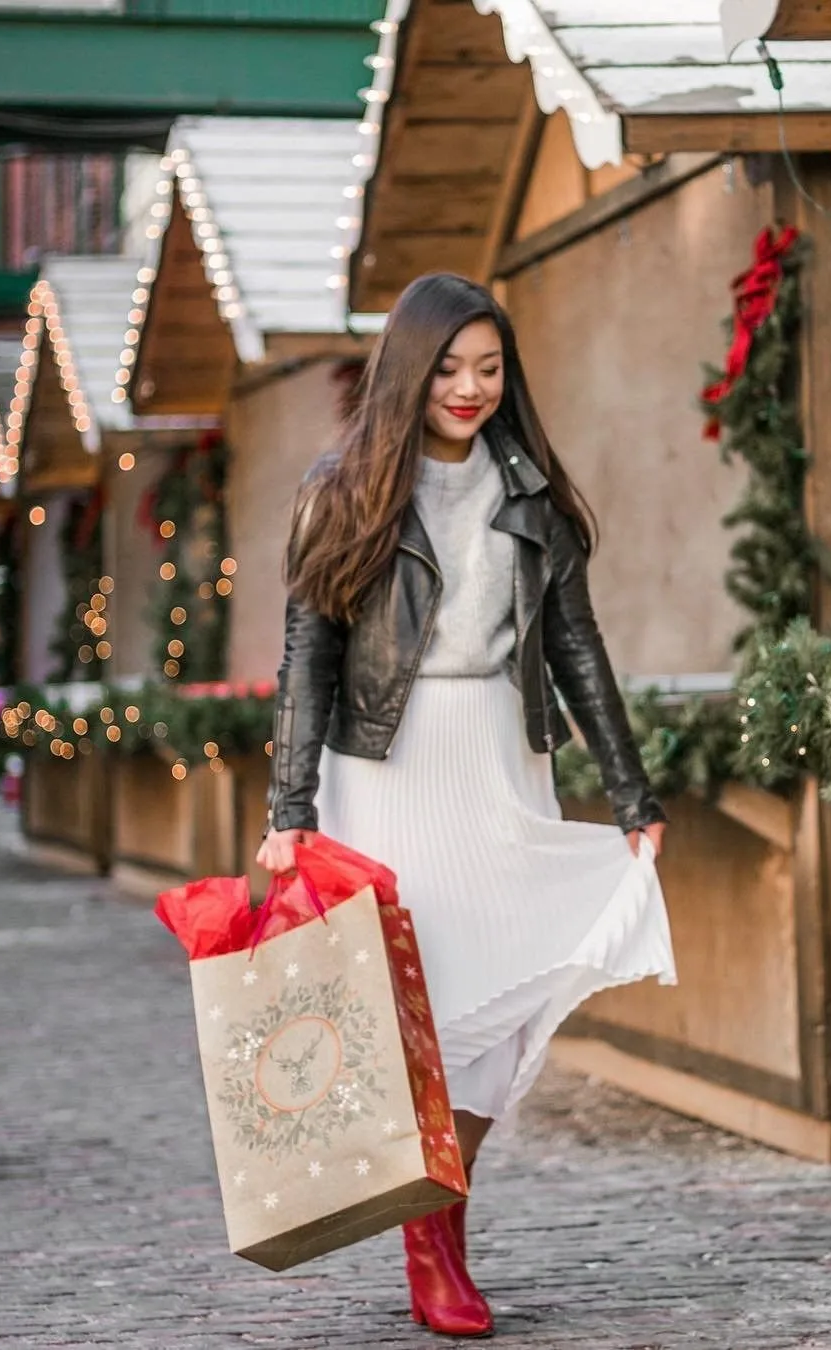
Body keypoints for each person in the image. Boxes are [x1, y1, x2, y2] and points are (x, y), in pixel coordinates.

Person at [257, 272, 676, 1338]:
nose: (472, 387)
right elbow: (308, 654)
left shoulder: (529, 490)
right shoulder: (343, 489)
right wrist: (289, 806)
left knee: (497, 1011)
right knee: (416, 1005)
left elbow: (577, 647)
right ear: (409, 371)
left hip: (500, 756)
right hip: (385, 767)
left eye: (489, 368)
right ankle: (434, 1245)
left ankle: (437, 1213)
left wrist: (630, 790)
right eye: (449, 367)